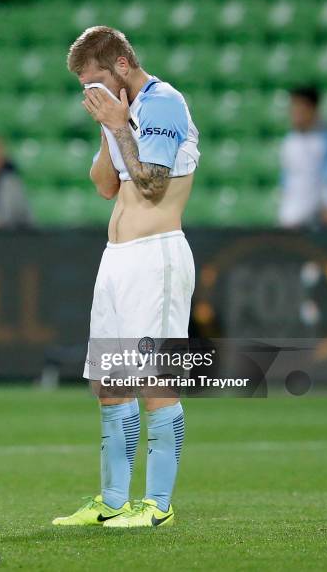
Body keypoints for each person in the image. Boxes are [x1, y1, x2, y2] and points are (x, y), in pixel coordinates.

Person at [52, 26, 200, 529]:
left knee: (156, 378)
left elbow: (154, 186)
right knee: (111, 382)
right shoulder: (119, 112)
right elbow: (105, 186)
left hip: (155, 257)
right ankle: (113, 501)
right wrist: (108, 128)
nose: (88, 93)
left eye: (92, 80)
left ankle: (157, 504)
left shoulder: (162, 103)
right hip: (116, 258)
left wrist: (120, 125)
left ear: (119, 64)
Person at [279, 86, 327, 228]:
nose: (296, 114)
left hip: (318, 220)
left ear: (313, 110)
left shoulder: (326, 142)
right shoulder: (289, 142)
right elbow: (286, 179)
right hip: (290, 217)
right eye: (293, 109)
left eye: (301, 109)